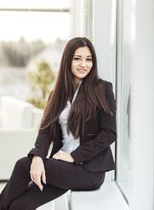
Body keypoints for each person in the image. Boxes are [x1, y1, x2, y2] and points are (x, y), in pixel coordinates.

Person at [0, 37, 116, 210]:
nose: (84, 64)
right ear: (67, 61)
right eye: (77, 58)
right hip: (61, 167)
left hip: (87, 171)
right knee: (20, 205)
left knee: (22, 165)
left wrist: (73, 156)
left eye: (88, 59)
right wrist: (38, 156)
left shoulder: (102, 89)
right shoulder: (56, 95)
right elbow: (45, 131)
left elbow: (109, 133)